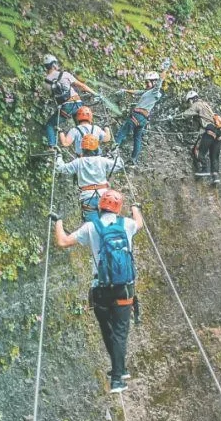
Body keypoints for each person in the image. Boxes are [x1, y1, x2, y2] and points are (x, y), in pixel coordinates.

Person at [51, 191, 143, 393]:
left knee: (108, 328)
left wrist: (58, 221)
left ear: (100, 207)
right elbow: (139, 223)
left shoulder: (90, 227)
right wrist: (136, 208)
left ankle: (119, 369)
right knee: (120, 331)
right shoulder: (127, 224)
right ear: (118, 209)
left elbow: (63, 241)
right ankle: (118, 377)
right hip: (124, 288)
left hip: (101, 289)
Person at [54, 135, 124, 222]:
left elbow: (62, 168)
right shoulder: (102, 160)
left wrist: (59, 156)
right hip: (105, 197)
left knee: (92, 228)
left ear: (83, 149)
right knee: (108, 226)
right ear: (96, 148)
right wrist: (115, 153)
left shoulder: (78, 162)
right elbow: (119, 165)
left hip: (87, 198)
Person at [114, 67, 169, 166]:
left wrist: (164, 69)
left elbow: (160, 81)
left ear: (154, 82)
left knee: (122, 132)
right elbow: (137, 92)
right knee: (137, 138)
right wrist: (125, 90)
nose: (146, 85)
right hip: (143, 119)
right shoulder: (149, 92)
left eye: (148, 82)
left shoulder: (155, 91)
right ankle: (133, 159)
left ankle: (112, 152)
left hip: (137, 115)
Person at [43, 54, 95, 148]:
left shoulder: (46, 83)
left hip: (65, 109)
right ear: (54, 64)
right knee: (82, 128)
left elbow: (54, 96)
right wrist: (95, 93)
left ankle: (52, 146)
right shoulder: (65, 74)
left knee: (50, 125)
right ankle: (90, 148)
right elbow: (82, 86)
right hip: (78, 104)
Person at [179, 90, 221, 184]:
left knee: (197, 151)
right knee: (214, 156)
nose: (189, 103)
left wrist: (175, 116)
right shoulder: (206, 105)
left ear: (191, 100)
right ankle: (215, 176)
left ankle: (204, 169)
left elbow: (186, 114)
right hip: (218, 132)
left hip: (209, 130)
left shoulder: (196, 104)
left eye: (189, 102)